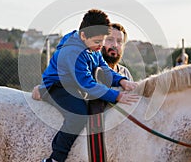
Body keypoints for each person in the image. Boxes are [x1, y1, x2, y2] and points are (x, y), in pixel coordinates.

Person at [37, 9, 139, 162]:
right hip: (57, 86)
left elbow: (104, 69)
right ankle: (55, 158)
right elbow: (87, 84)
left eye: (103, 41)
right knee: (78, 115)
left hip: (74, 84)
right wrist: (117, 95)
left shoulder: (93, 47)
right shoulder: (72, 52)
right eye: (98, 42)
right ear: (83, 35)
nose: (100, 46)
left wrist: (121, 81)